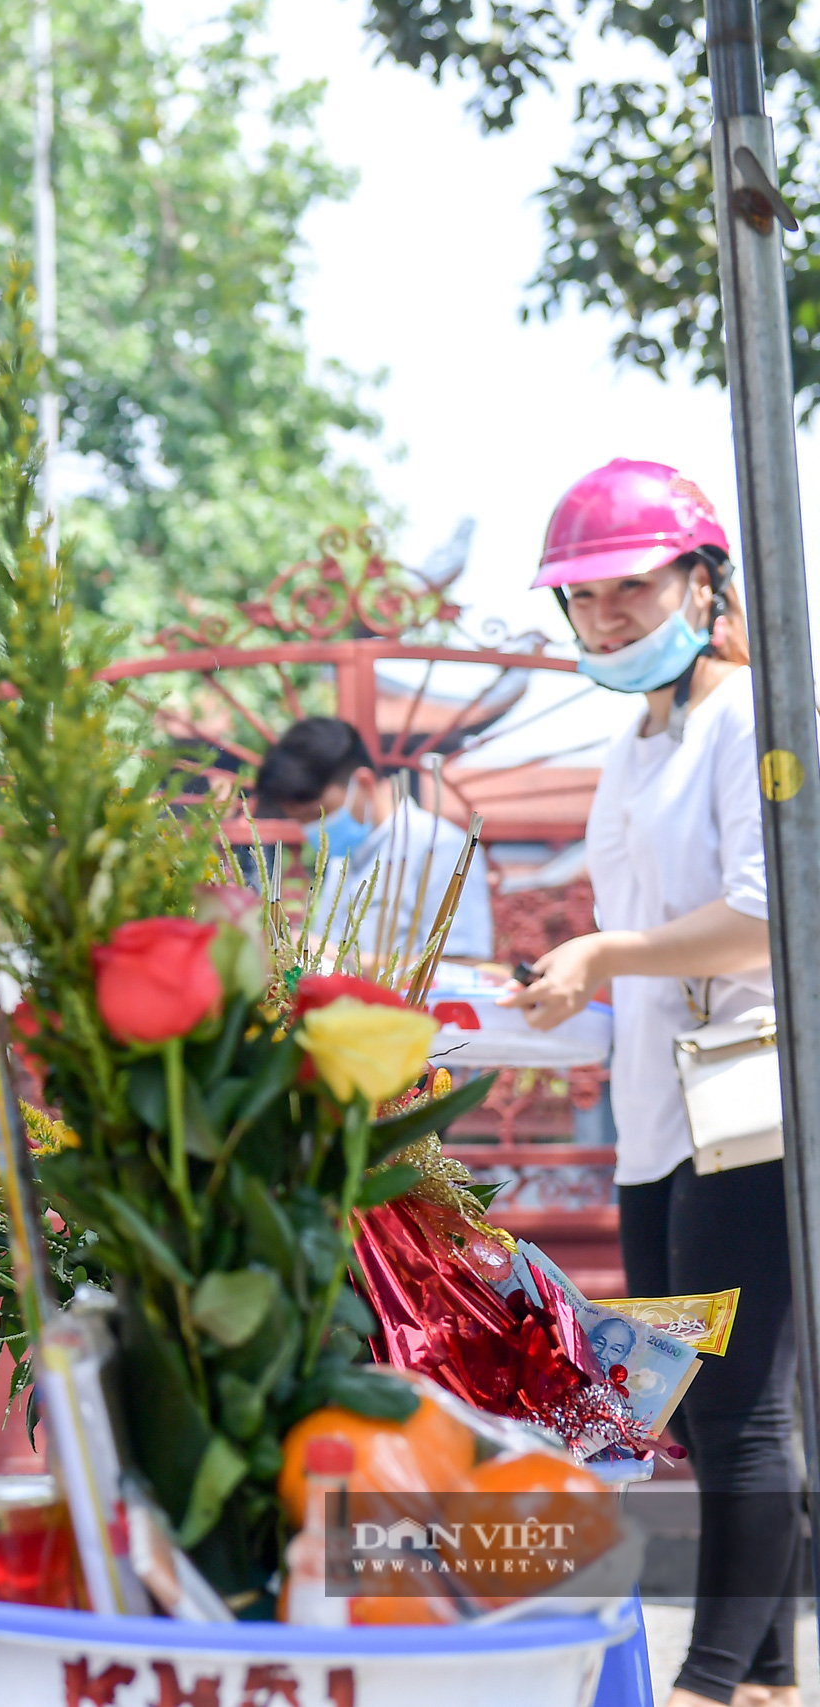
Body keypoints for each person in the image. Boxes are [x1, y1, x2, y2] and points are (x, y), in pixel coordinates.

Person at [497, 458, 795, 1707]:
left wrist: (607, 954)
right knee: (681, 1410)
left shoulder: (749, 716)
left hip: (751, 1108)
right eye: (586, 598)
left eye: (632, 588)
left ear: (701, 579)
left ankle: (713, 1683)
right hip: (655, 1121)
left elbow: (760, 918)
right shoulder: (637, 738)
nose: (607, 618)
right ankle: (774, 1674)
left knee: (738, 1417)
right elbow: (629, 947)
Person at [254, 716, 493, 965]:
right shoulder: (341, 860)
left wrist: (332, 956)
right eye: (301, 820)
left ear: (364, 783)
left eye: (317, 814)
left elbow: (462, 964)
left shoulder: (439, 846)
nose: (311, 829)